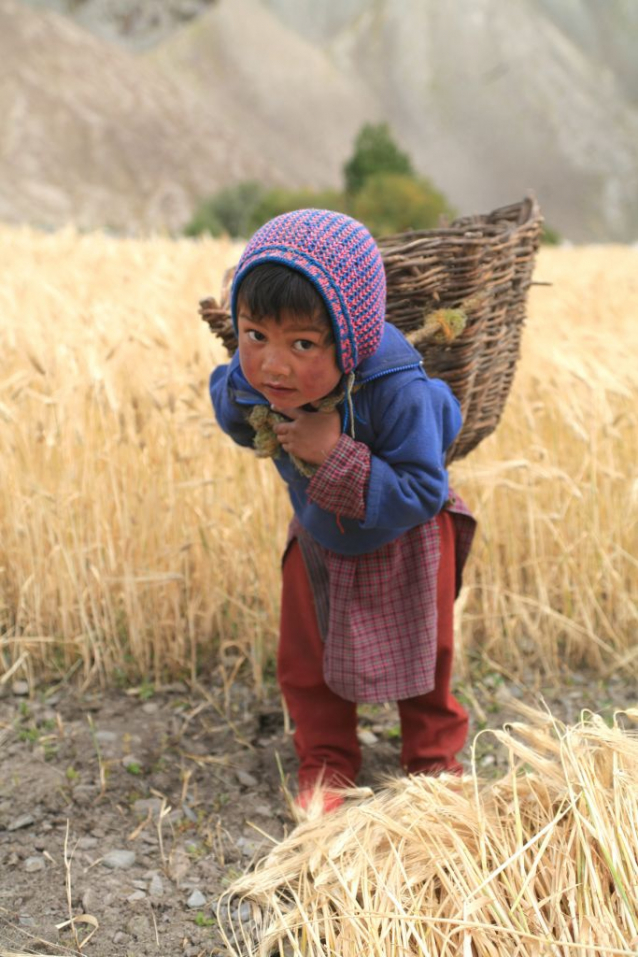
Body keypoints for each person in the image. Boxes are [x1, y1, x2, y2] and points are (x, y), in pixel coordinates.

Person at [209, 209, 475, 815]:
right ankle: (327, 759)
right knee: (307, 659)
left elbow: (421, 491)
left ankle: (433, 757)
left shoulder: (399, 387)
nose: (274, 364)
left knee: (427, 654)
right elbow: (232, 407)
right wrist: (239, 390)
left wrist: (335, 452)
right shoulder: (261, 379)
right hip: (321, 537)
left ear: (350, 337)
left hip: (410, 538)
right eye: (256, 335)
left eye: (302, 344)